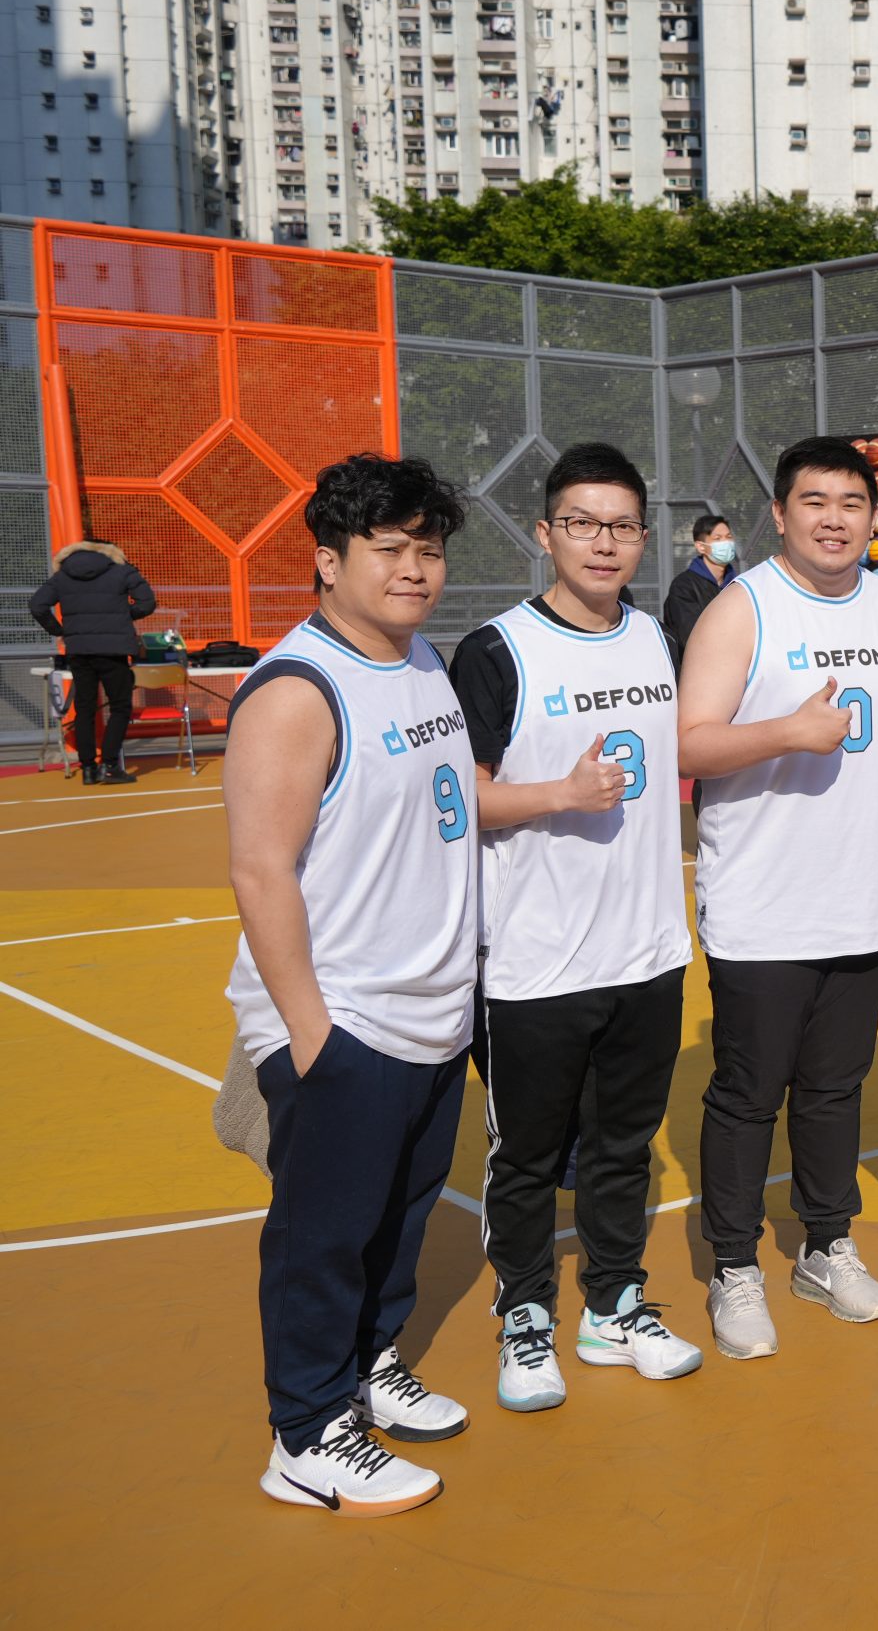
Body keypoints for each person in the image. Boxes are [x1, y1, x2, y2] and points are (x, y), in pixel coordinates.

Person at [225, 453, 477, 1517]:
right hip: (349, 1016)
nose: (414, 568)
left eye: (429, 548)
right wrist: (311, 1034)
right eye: (389, 548)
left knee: (398, 1220)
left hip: (432, 1008)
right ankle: (305, 1432)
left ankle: (370, 1365)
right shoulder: (298, 691)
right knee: (323, 1237)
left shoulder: (421, 660)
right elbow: (260, 869)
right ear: (329, 561)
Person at [448, 442, 699, 1410]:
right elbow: (460, 797)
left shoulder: (657, 641)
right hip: (534, 961)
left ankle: (613, 1305)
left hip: (647, 951)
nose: (604, 542)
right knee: (522, 1158)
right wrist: (560, 793)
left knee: (623, 1146)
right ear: (546, 533)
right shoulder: (497, 651)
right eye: (583, 523)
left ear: (643, 539)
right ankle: (523, 1315)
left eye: (623, 525)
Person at [677, 437, 878, 1360]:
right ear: (780, 513)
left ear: (872, 516)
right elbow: (689, 742)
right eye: (815, 501)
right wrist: (788, 732)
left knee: (834, 1089)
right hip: (761, 904)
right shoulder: (742, 608)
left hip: (857, 896)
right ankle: (735, 1264)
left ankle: (825, 1243)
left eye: (852, 503)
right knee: (748, 1094)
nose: (834, 519)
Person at [30, 537, 157, 784]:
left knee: (85, 708)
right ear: (109, 551)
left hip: (79, 649)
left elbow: (37, 606)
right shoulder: (121, 569)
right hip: (114, 650)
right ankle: (109, 765)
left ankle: (88, 768)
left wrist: (59, 630)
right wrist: (122, 617)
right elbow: (147, 602)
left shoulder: (63, 574)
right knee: (120, 706)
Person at [660, 512, 736, 669]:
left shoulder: (738, 584)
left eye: (728, 537)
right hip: (701, 671)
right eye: (717, 539)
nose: (726, 543)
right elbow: (690, 637)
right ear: (701, 546)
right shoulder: (683, 587)